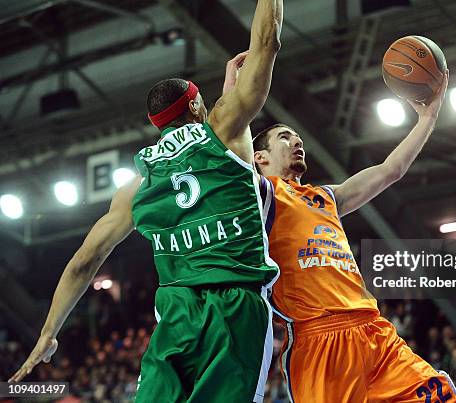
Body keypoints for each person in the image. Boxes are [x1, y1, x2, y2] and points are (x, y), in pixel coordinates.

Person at [9, 1, 283, 402]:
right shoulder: (224, 129)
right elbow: (268, 42)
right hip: (236, 305)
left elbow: (84, 261)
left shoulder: (137, 186)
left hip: (176, 315)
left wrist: (49, 332)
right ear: (195, 106)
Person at [247, 68, 456, 401]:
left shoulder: (326, 198)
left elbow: (391, 170)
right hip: (319, 340)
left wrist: (428, 117)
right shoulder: (261, 194)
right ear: (259, 157)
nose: (297, 141)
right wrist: (236, 89)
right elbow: (231, 144)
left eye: (297, 136)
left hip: (373, 329)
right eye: (284, 137)